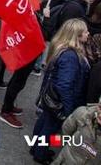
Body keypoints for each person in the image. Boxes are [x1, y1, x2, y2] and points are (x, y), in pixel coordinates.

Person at [31, 19, 91, 164]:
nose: (88, 33)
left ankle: (35, 148)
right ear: (76, 35)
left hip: (51, 99)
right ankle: (40, 154)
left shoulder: (62, 48)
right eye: (85, 31)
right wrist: (69, 108)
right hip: (60, 101)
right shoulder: (70, 56)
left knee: (44, 122)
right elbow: (64, 84)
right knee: (50, 129)